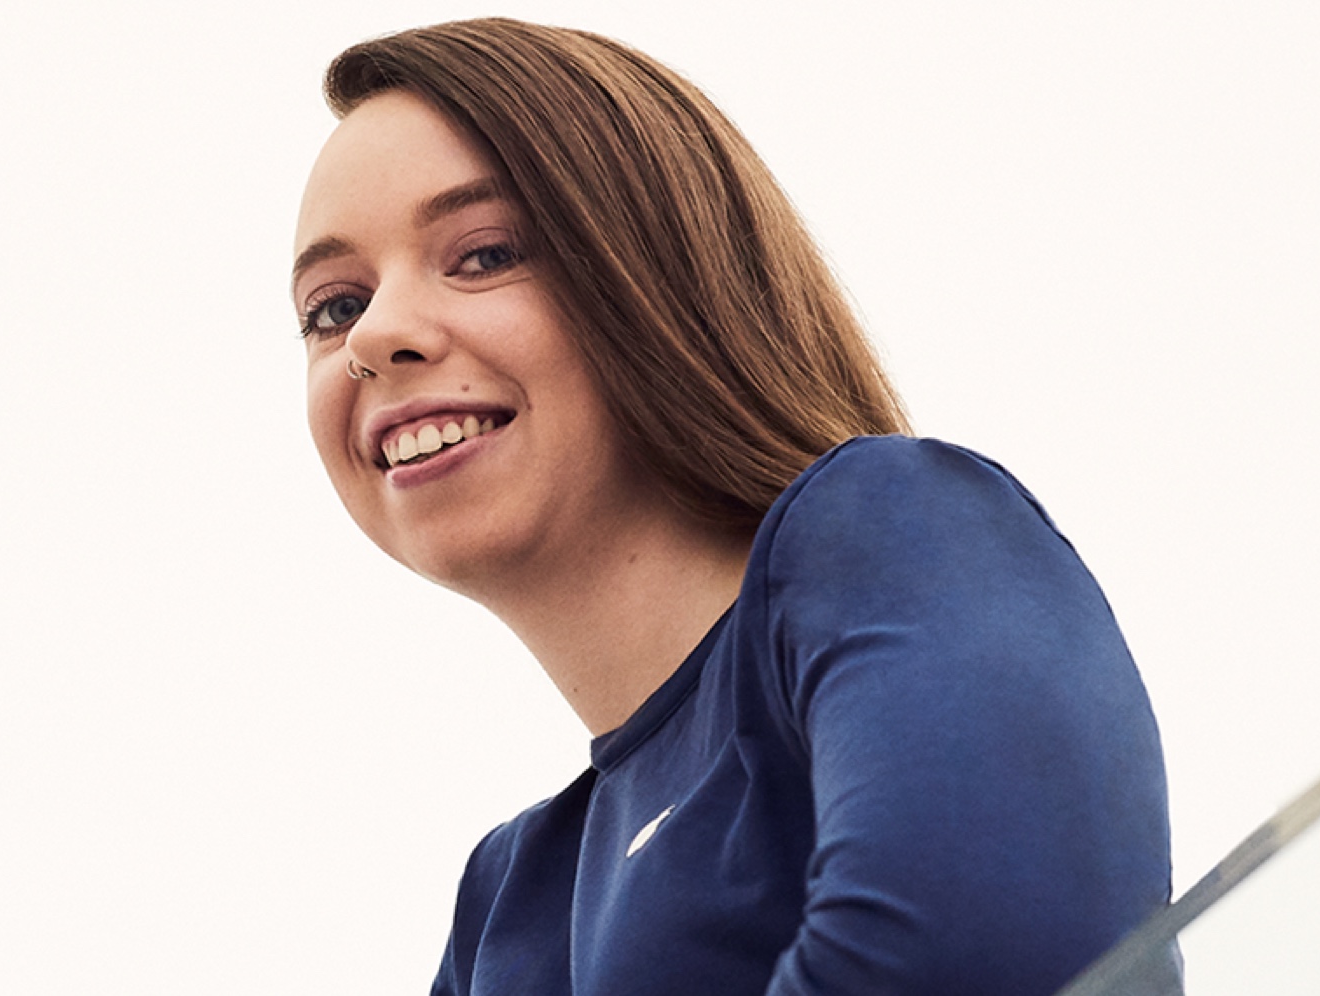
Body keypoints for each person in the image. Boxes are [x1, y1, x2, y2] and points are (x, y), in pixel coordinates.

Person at [290, 17, 1178, 996]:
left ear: (661, 274)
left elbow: (977, 961)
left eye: (486, 252)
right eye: (334, 306)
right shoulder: (505, 903)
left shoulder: (895, 521)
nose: (376, 336)